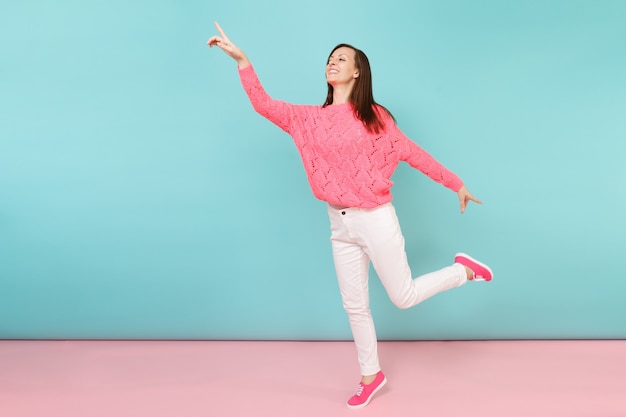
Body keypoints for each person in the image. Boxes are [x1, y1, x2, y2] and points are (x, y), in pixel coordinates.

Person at [207, 22, 493, 409]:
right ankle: (370, 375)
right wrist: (242, 61)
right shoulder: (308, 119)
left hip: (375, 218)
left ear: (357, 71)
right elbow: (264, 104)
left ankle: (464, 270)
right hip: (338, 222)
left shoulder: (375, 117)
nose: (333, 63)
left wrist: (454, 182)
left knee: (403, 297)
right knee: (355, 306)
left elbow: (412, 152)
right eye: (330, 58)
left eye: (342, 59)